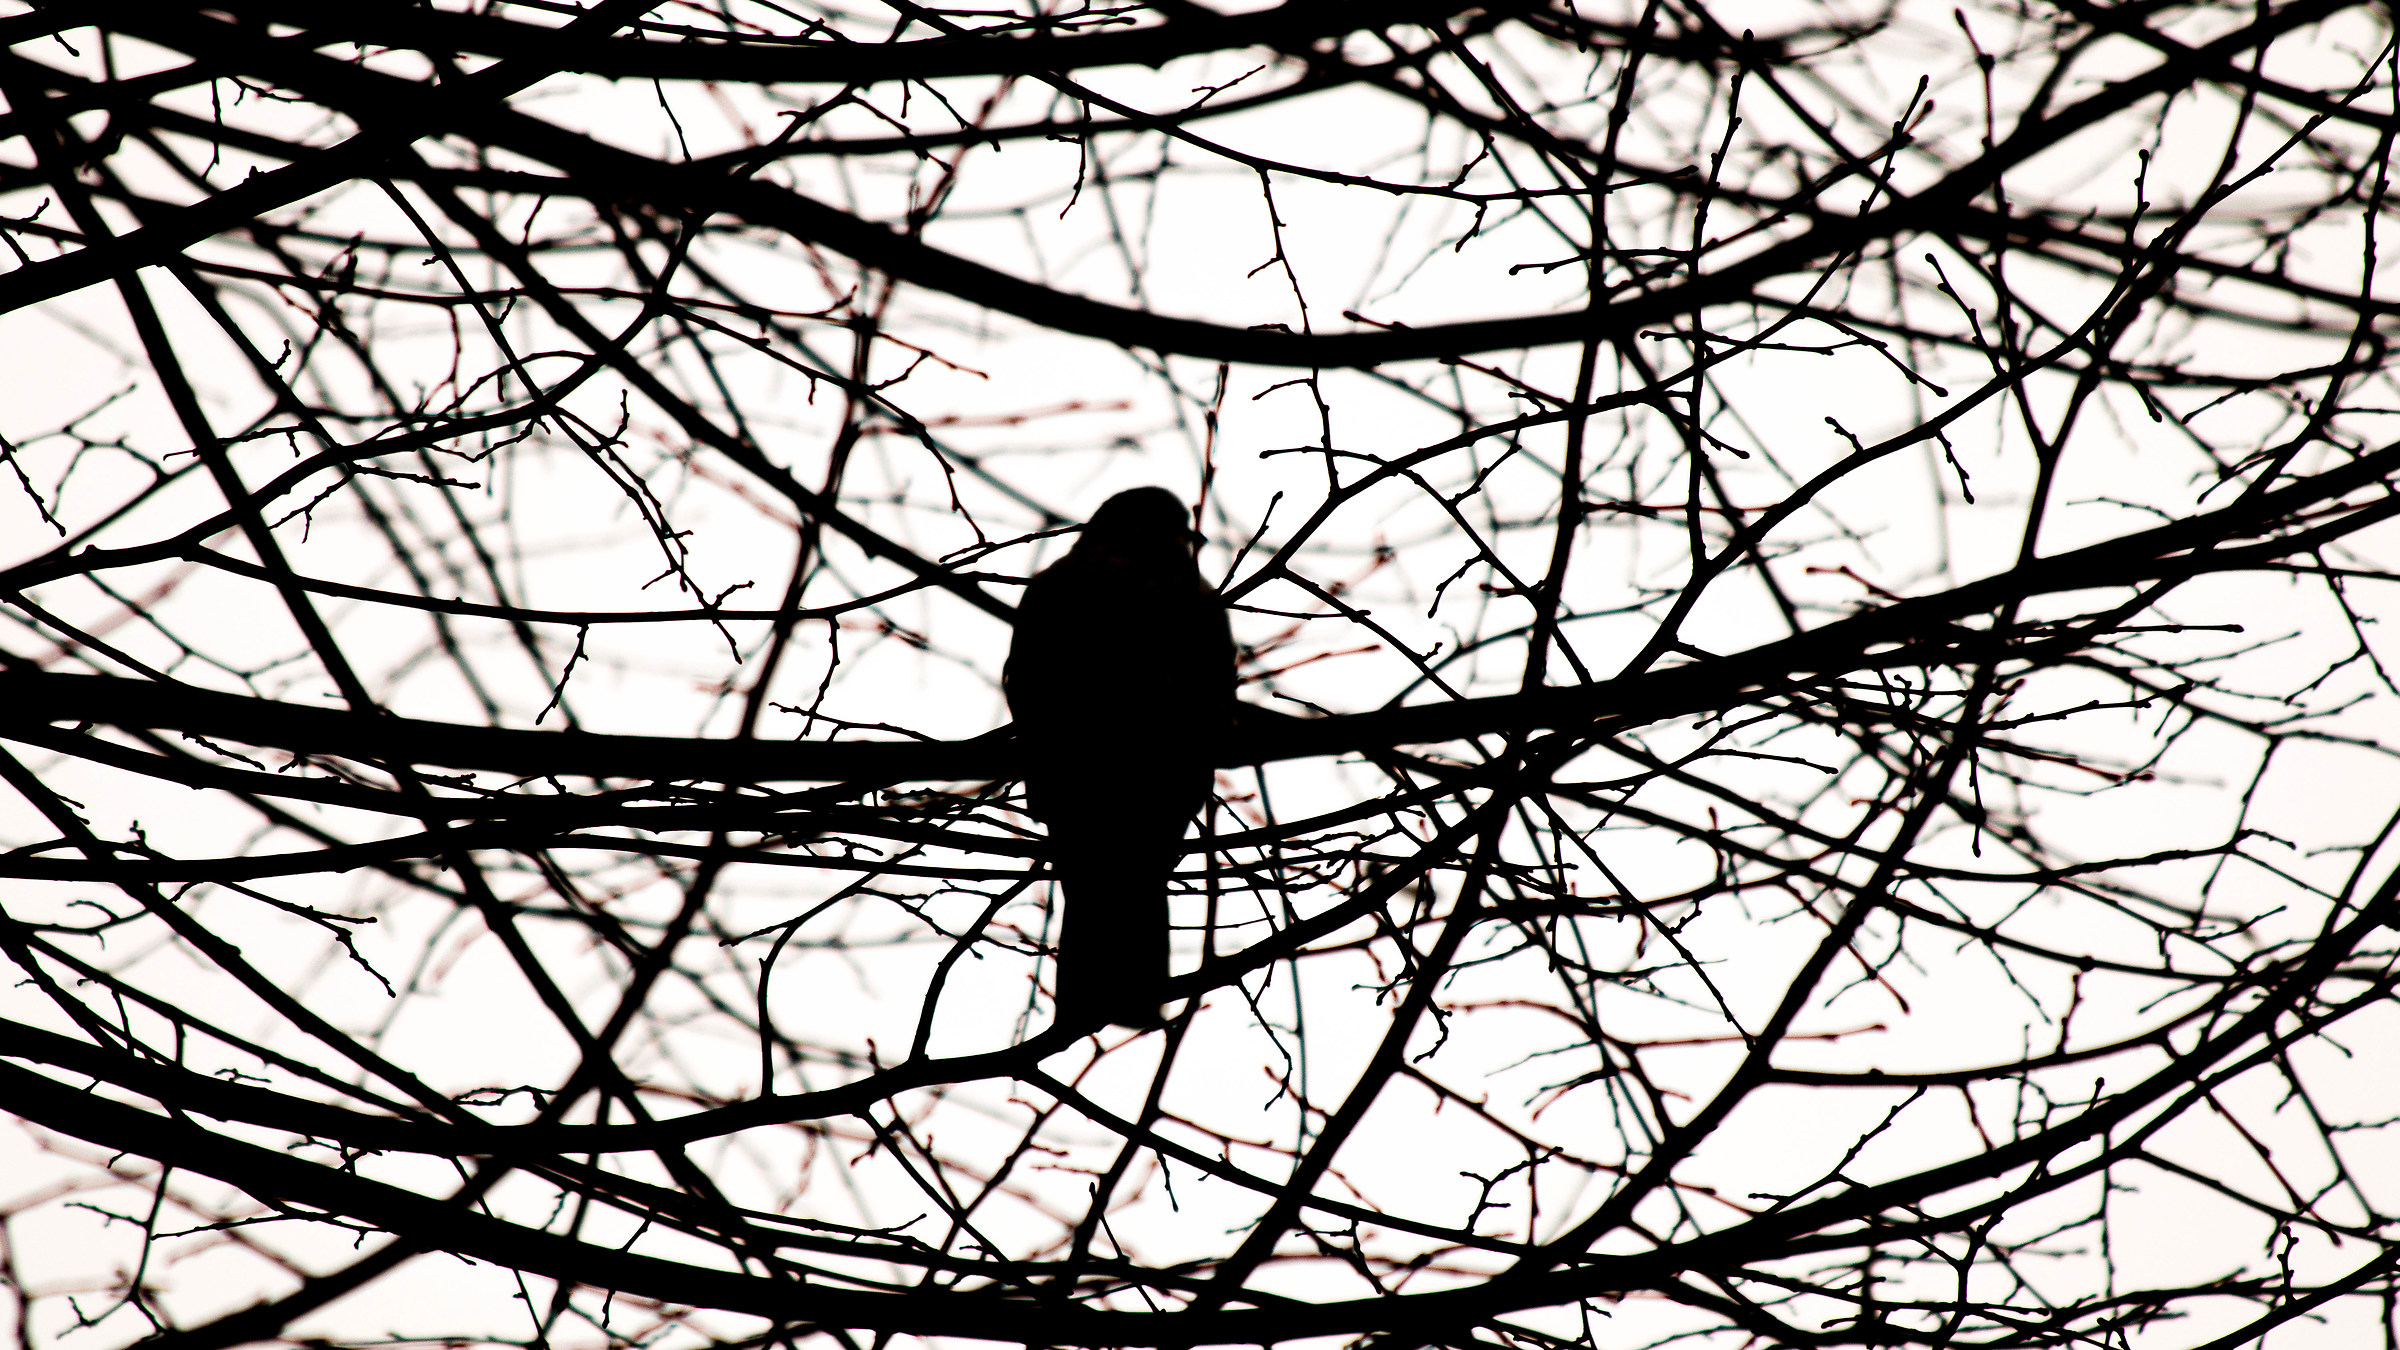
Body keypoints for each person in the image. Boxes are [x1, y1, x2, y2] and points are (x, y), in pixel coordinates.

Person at [1004, 488, 1235, 1028]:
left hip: (1147, 786)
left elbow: (1213, 706)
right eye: (1161, 531)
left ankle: (1113, 996)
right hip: (1083, 784)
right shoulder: (1058, 591)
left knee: (1122, 887)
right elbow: (1030, 693)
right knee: (1112, 888)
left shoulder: (1194, 601)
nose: (1177, 544)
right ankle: (1116, 995)